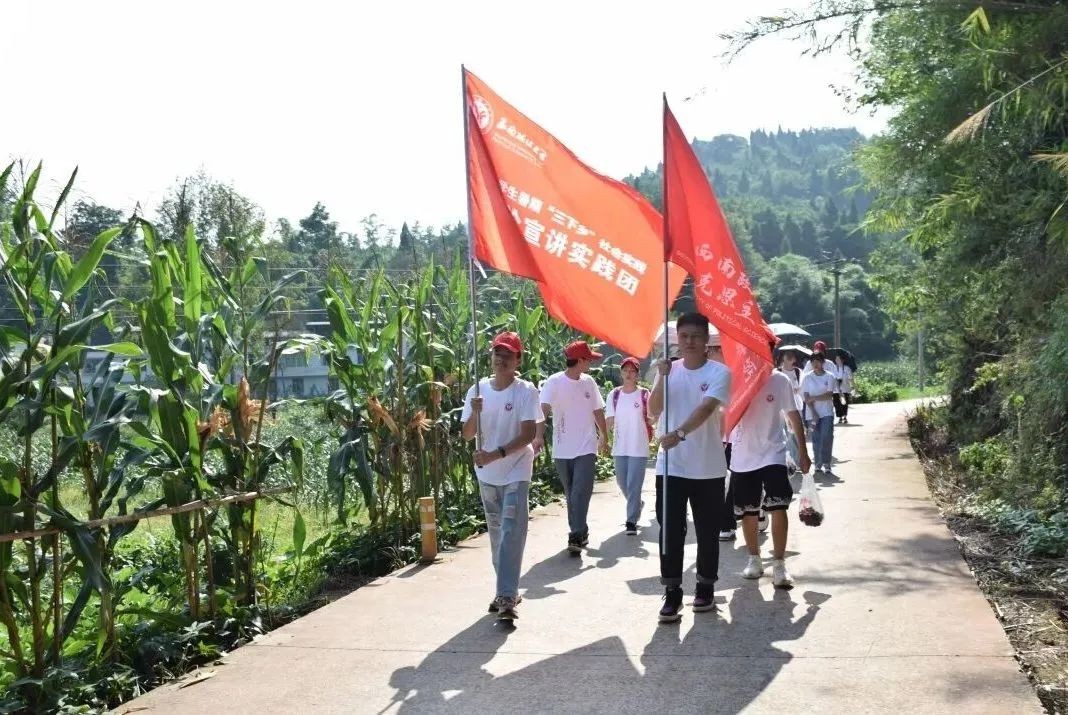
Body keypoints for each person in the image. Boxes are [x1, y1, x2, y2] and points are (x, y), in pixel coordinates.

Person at [648, 312, 731, 623]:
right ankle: (672, 592)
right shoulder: (668, 371)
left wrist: (680, 433)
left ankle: (705, 586)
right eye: (684, 336)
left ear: (706, 339)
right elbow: (653, 409)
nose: (690, 341)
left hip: (707, 466)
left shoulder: (719, 372)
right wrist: (662, 378)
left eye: (696, 336)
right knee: (670, 530)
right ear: (677, 340)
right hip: (671, 466)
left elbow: (707, 407)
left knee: (707, 531)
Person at [461, 332, 541, 621]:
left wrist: (495, 454)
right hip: (487, 475)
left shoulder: (526, 391)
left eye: (508, 354)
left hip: (516, 469)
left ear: (518, 360)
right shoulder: (478, 390)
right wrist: (474, 412)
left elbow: (528, 434)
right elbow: (467, 434)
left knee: (511, 530)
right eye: (498, 352)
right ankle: (505, 590)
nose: (502, 358)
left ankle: (507, 595)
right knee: (497, 535)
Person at [731, 358, 812, 588]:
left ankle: (779, 564)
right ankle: (754, 559)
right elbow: (724, 414)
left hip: (773, 452)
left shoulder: (780, 380)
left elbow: (793, 416)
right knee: (748, 510)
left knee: (778, 505)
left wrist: (803, 452)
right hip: (743, 455)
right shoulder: (736, 378)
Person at [539, 340, 609, 554]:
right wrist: (538, 436)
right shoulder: (554, 382)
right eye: (589, 360)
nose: (591, 363)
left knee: (580, 491)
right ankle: (581, 531)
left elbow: (597, 410)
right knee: (571, 493)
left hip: (586, 447)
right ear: (579, 361)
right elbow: (543, 409)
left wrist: (604, 436)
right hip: (562, 448)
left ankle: (575, 535)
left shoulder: (589, 382)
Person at [606, 357, 652, 535]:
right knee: (621, 481)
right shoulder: (614, 395)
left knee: (633, 484)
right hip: (620, 446)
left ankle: (631, 521)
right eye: (625, 370)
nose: (628, 374)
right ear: (621, 373)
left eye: (632, 371)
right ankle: (637, 504)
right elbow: (609, 419)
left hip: (638, 446)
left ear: (637, 374)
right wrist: (602, 437)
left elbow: (652, 416)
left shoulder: (644, 394)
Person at [801, 353, 837, 473]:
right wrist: (814, 412)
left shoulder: (829, 376)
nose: (815, 364)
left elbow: (829, 395)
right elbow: (806, 397)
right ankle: (818, 463)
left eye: (818, 361)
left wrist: (815, 398)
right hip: (811, 413)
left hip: (827, 412)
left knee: (826, 436)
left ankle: (827, 463)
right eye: (813, 362)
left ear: (823, 362)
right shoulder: (807, 377)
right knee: (816, 438)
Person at [833, 354, 854, 424]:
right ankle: (840, 417)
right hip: (836, 390)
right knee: (837, 404)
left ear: (843, 360)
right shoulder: (833, 368)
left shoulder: (847, 368)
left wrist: (853, 387)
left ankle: (845, 416)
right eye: (836, 359)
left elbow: (850, 378)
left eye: (839, 359)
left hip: (845, 389)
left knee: (844, 403)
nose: (837, 361)